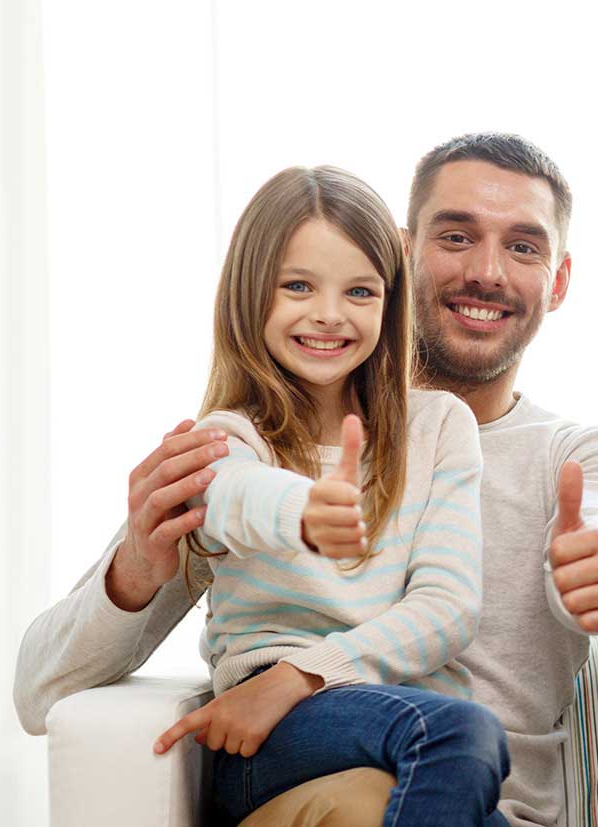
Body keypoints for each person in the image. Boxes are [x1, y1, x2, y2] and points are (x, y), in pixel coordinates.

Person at [15, 133, 598, 827]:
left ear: (557, 281)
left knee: (453, 748)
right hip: (315, 779)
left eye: (523, 246)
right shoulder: (235, 445)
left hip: (478, 798)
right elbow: (39, 689)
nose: (488, 270)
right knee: (396, 776)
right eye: (457, 236)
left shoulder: (571, 456)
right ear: (406, 254)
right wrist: (141, 565)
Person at [147, 164, 505, 824]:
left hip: (380, 717)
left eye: (361, 291)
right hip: (264, 740)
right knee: (465, 732)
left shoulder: (439, 426)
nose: (330, 314)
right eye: (298, 286)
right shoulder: (226, 437)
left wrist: (302, 674)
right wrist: (304, 512)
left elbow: (449, 605)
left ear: (390, 302)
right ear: (251, 295)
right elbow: (236, 497)